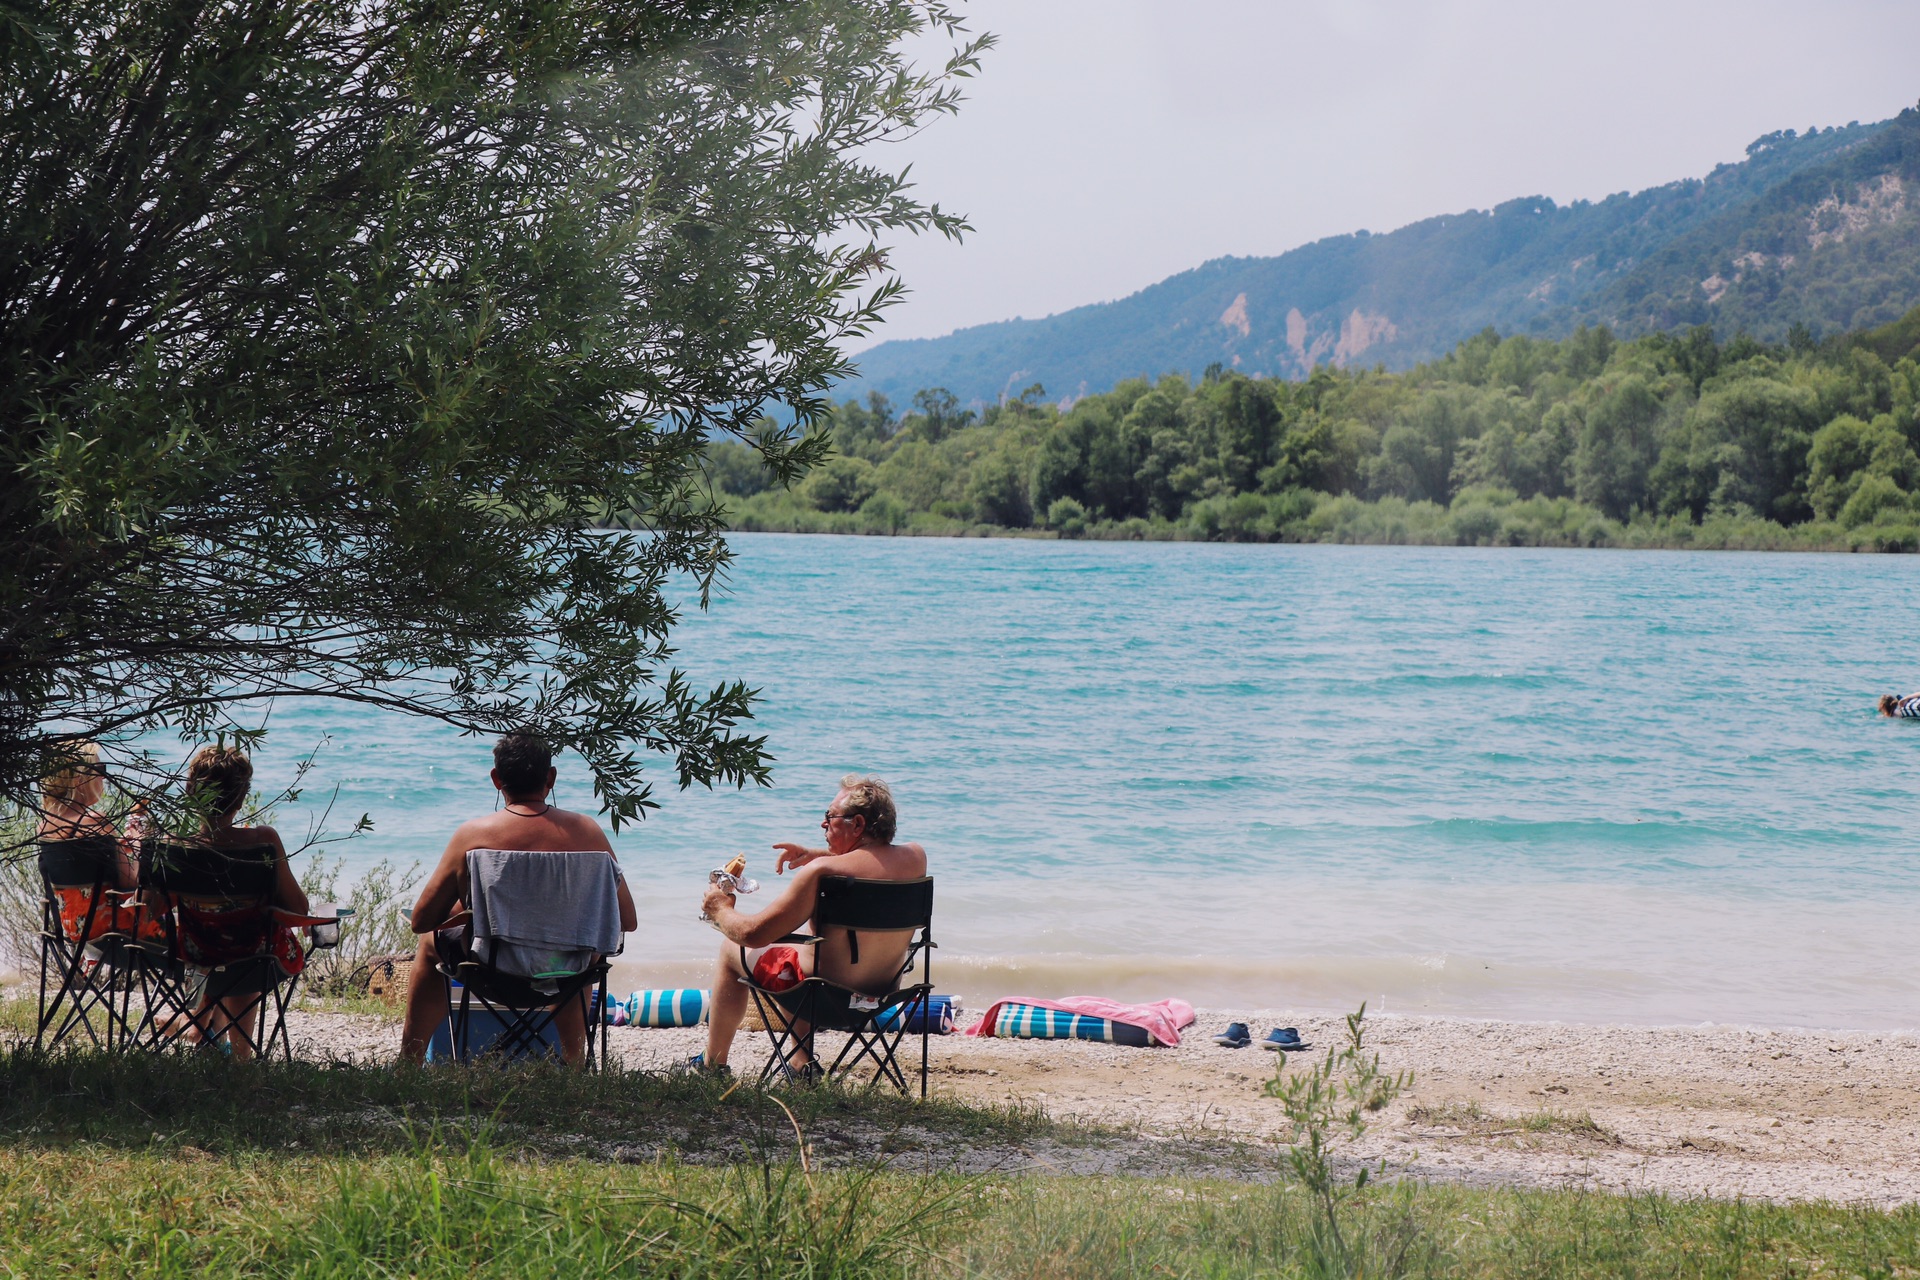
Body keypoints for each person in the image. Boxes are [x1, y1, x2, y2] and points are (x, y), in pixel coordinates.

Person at [399, 732, 637, 1067]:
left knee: (429, 942)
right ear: (550, 778)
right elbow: (627, 920)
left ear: (497, 780)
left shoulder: (473, 835)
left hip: (493, 972)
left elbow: (421, 920)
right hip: (569, 975)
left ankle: (408, 1062)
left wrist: (469, 909)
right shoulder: (589, 833)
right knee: (579, 946)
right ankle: (573, 1062)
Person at [692, 775, 927, 1077]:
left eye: (830, 817)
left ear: (856, 824)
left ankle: (713, 1064)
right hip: (881, 996)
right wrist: (819, 854)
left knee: (732, 949)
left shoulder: (820, 873)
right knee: (803, 948)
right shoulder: (916, 858)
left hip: (822, 999)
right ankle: (801, 1063)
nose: (823, 825)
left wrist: (720, 909)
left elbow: (753, 934)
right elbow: (872, 861)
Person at [172, 745, 310, 1061]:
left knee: (230, 936)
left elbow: (153, 906)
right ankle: (241, 1059)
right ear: (242, 797)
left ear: (191, 791)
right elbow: (298, 909)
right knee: (250, 938)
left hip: (195, 958)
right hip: (254, 960)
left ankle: (201, 1029)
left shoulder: (176, 846)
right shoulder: (263, 840)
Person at [37, 741, 136, 890]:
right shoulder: (95, 821)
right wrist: (139, 845)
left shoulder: (44, 825)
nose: (103, 777)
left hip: (67, 913)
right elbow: (129, 881)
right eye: (100, 769)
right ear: (79, 779)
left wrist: (115, 849)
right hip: (106, 912)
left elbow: (78, 867)